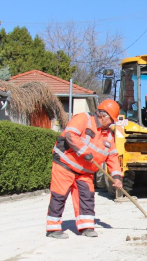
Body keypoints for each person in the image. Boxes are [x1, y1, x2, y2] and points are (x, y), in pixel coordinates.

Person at [45, 99, 123, 239]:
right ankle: (53, 229)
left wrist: (117, 177)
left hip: (86, 172)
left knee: (87, 197)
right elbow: (70, 135)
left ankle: (86, 227)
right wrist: (84, 152)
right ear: (103, 115)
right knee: (59, 195)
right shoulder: (83, 119)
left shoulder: (109, 135)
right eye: (112, 119)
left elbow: (112, 157)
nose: (112, 123)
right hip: (65, 165)